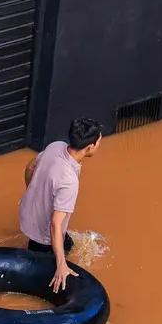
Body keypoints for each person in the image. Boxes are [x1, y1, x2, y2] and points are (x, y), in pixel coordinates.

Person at [20, 118, 103, 293]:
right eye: (99, 142)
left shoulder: (55, 146)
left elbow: (30, 167)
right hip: (42, 234)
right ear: (90, 147)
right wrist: (61, 265)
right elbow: (55, 224)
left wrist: (32, 193)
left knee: (68, 244)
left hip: (27, 214)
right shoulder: (69, 181)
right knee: (45, 272)